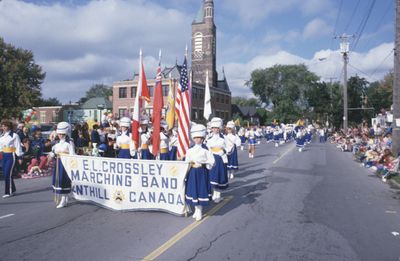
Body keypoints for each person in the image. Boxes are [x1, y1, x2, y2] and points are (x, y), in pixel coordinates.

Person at [185, 124, 215, 221]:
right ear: (193, 138)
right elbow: (187, 161)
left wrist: (205, 164)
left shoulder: (206, 150)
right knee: (194, 190)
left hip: (202, 172)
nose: (198, 140)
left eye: (200, 138)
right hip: (192, 172)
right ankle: (195, 210)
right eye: (196, 138)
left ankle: (199, 210)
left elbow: (212, 161)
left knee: (201, 190)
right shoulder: (190, 150)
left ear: (203, 138)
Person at [48, 122, 75, 208]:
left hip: (65, 164)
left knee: (64, 181)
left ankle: (63, 199)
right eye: (59, 134)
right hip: (58, 163)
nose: (60, 135)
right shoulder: (57, 143)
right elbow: (54, 152)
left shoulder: (69, 142)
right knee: (59, 180)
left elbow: (72, 155)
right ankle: (65, 198)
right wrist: (51, 155)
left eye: (62, 134)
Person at [206, 117, 228, 203]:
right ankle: (213, 193)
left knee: (219, 176)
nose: (215, 130)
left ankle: (218, 194)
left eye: (217, 128)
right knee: (212, 177)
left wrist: (222, 151)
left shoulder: (224, 138)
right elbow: (207, 149)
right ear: (211, 129)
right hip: (211, 158)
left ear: (220, 128)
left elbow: (228, 148)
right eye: (214, 128)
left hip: (220, 159)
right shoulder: (209, 138)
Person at [0, 120, 23, 198]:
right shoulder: (2, 136)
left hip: (11, 155)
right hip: (4, 156)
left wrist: (20, 157)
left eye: (5, 126)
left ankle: (8, 192)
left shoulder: (14, 135)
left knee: (7, 174)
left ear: (9, 127)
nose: (3, 127)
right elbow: (1, 148)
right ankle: (12, 189)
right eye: (2, 126)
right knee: (6, 174)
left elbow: (18, 147)